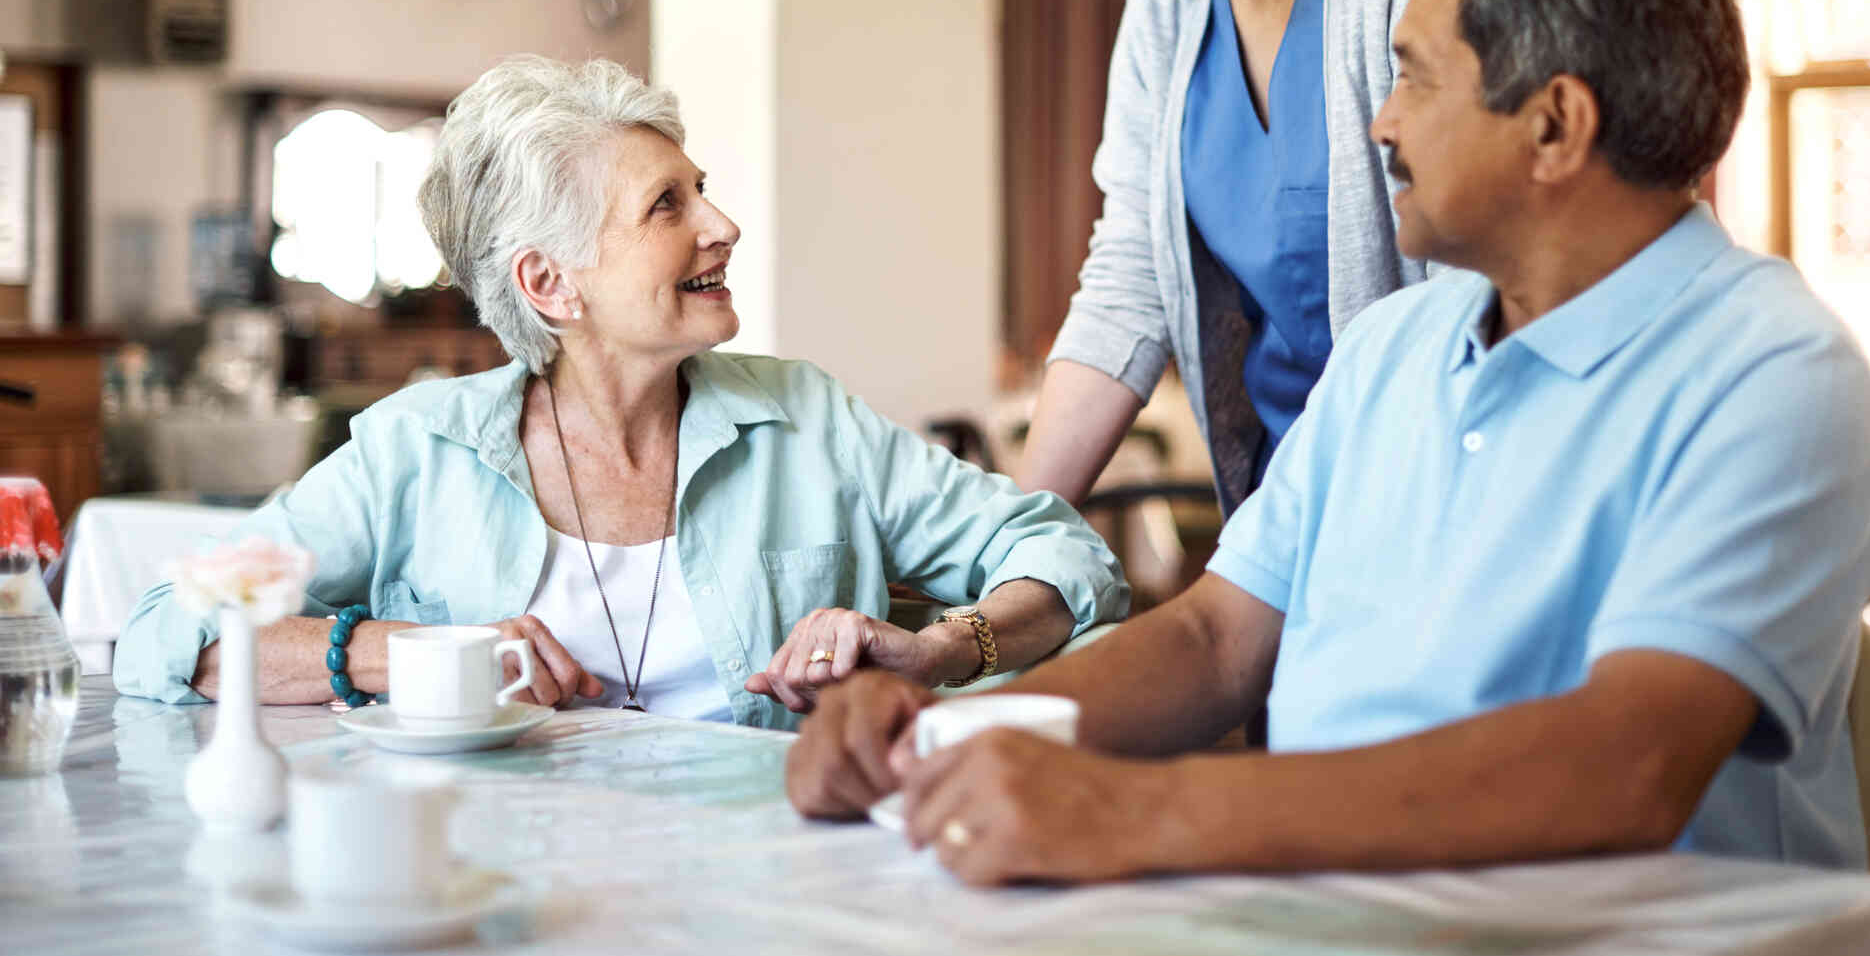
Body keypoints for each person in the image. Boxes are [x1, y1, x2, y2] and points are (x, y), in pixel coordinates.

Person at [786, 0, 1870, 879]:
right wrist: (938, 736)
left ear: (1554, 124)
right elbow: (1216, 638)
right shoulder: (1394, 346)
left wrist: (1139, 814)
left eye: (1413, 77)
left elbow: (1627, 762)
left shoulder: (1770, 371)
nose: (1378, 119)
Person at [116, 57, 1126, 725]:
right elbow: (166, 630)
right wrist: (404, 651)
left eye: (702, 187)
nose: (722, 222)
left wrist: (946, 646)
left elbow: (1066, 554)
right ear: (550, 282)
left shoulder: (807, 419)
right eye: (666, 206)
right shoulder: (416, 449)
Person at [1019, 0, 1436, 516]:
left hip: (1424, 490)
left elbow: (1481, 288)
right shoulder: (1166, 0)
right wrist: (1009, 531)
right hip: (1276, 503)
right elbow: (1131, 271)